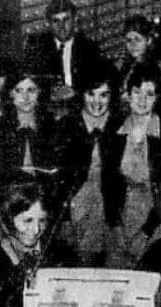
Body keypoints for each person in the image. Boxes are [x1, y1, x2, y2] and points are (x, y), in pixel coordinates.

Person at [0, 176, 77, 307]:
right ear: (8, 220)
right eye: (27, 221)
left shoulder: (64, 255)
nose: (36, 230)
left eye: (42, 220)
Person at [51, 67, 124, 268]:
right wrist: (64, 217)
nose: (97, 101)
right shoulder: (66, 125)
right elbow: (58, 180)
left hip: (113, 208)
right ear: (82, 94)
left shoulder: (120, 125)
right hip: (76, 205)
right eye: (91, 94)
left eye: (104, 95)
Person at [111, 64, 161, 265]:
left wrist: (146, 233)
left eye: (149, 94)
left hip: (156, 219)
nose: (141, 99)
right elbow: (109, 184)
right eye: (137, 92)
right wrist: (115, 227)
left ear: (157, 98)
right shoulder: (114, 131)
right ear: (128, 95)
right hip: (120, 219)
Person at [0, 70, 57, 189]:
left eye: (31, 90)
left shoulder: (52, 126)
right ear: (10, 93)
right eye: (18, 91)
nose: (25, 97)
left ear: (39, 93)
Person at [24, 0, 105, 96]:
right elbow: (28, 81)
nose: (61, 26)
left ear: (75, 20)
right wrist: (50, 92)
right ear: (49, 23)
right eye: (55, 21)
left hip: (77, 102)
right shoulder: (37, 47)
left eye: (66, 19)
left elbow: (98, 83)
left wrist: (75, 92)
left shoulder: (89, 48)